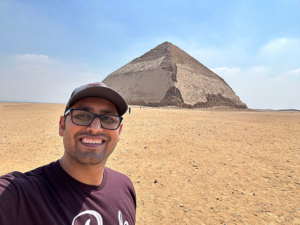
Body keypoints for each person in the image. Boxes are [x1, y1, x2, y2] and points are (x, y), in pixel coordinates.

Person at [0, 82, 136, 225]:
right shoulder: (21, 196)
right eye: (82, 115)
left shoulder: (125, 187)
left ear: (119, 131)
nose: (95, 128)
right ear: (62, 125)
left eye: (108, 119)